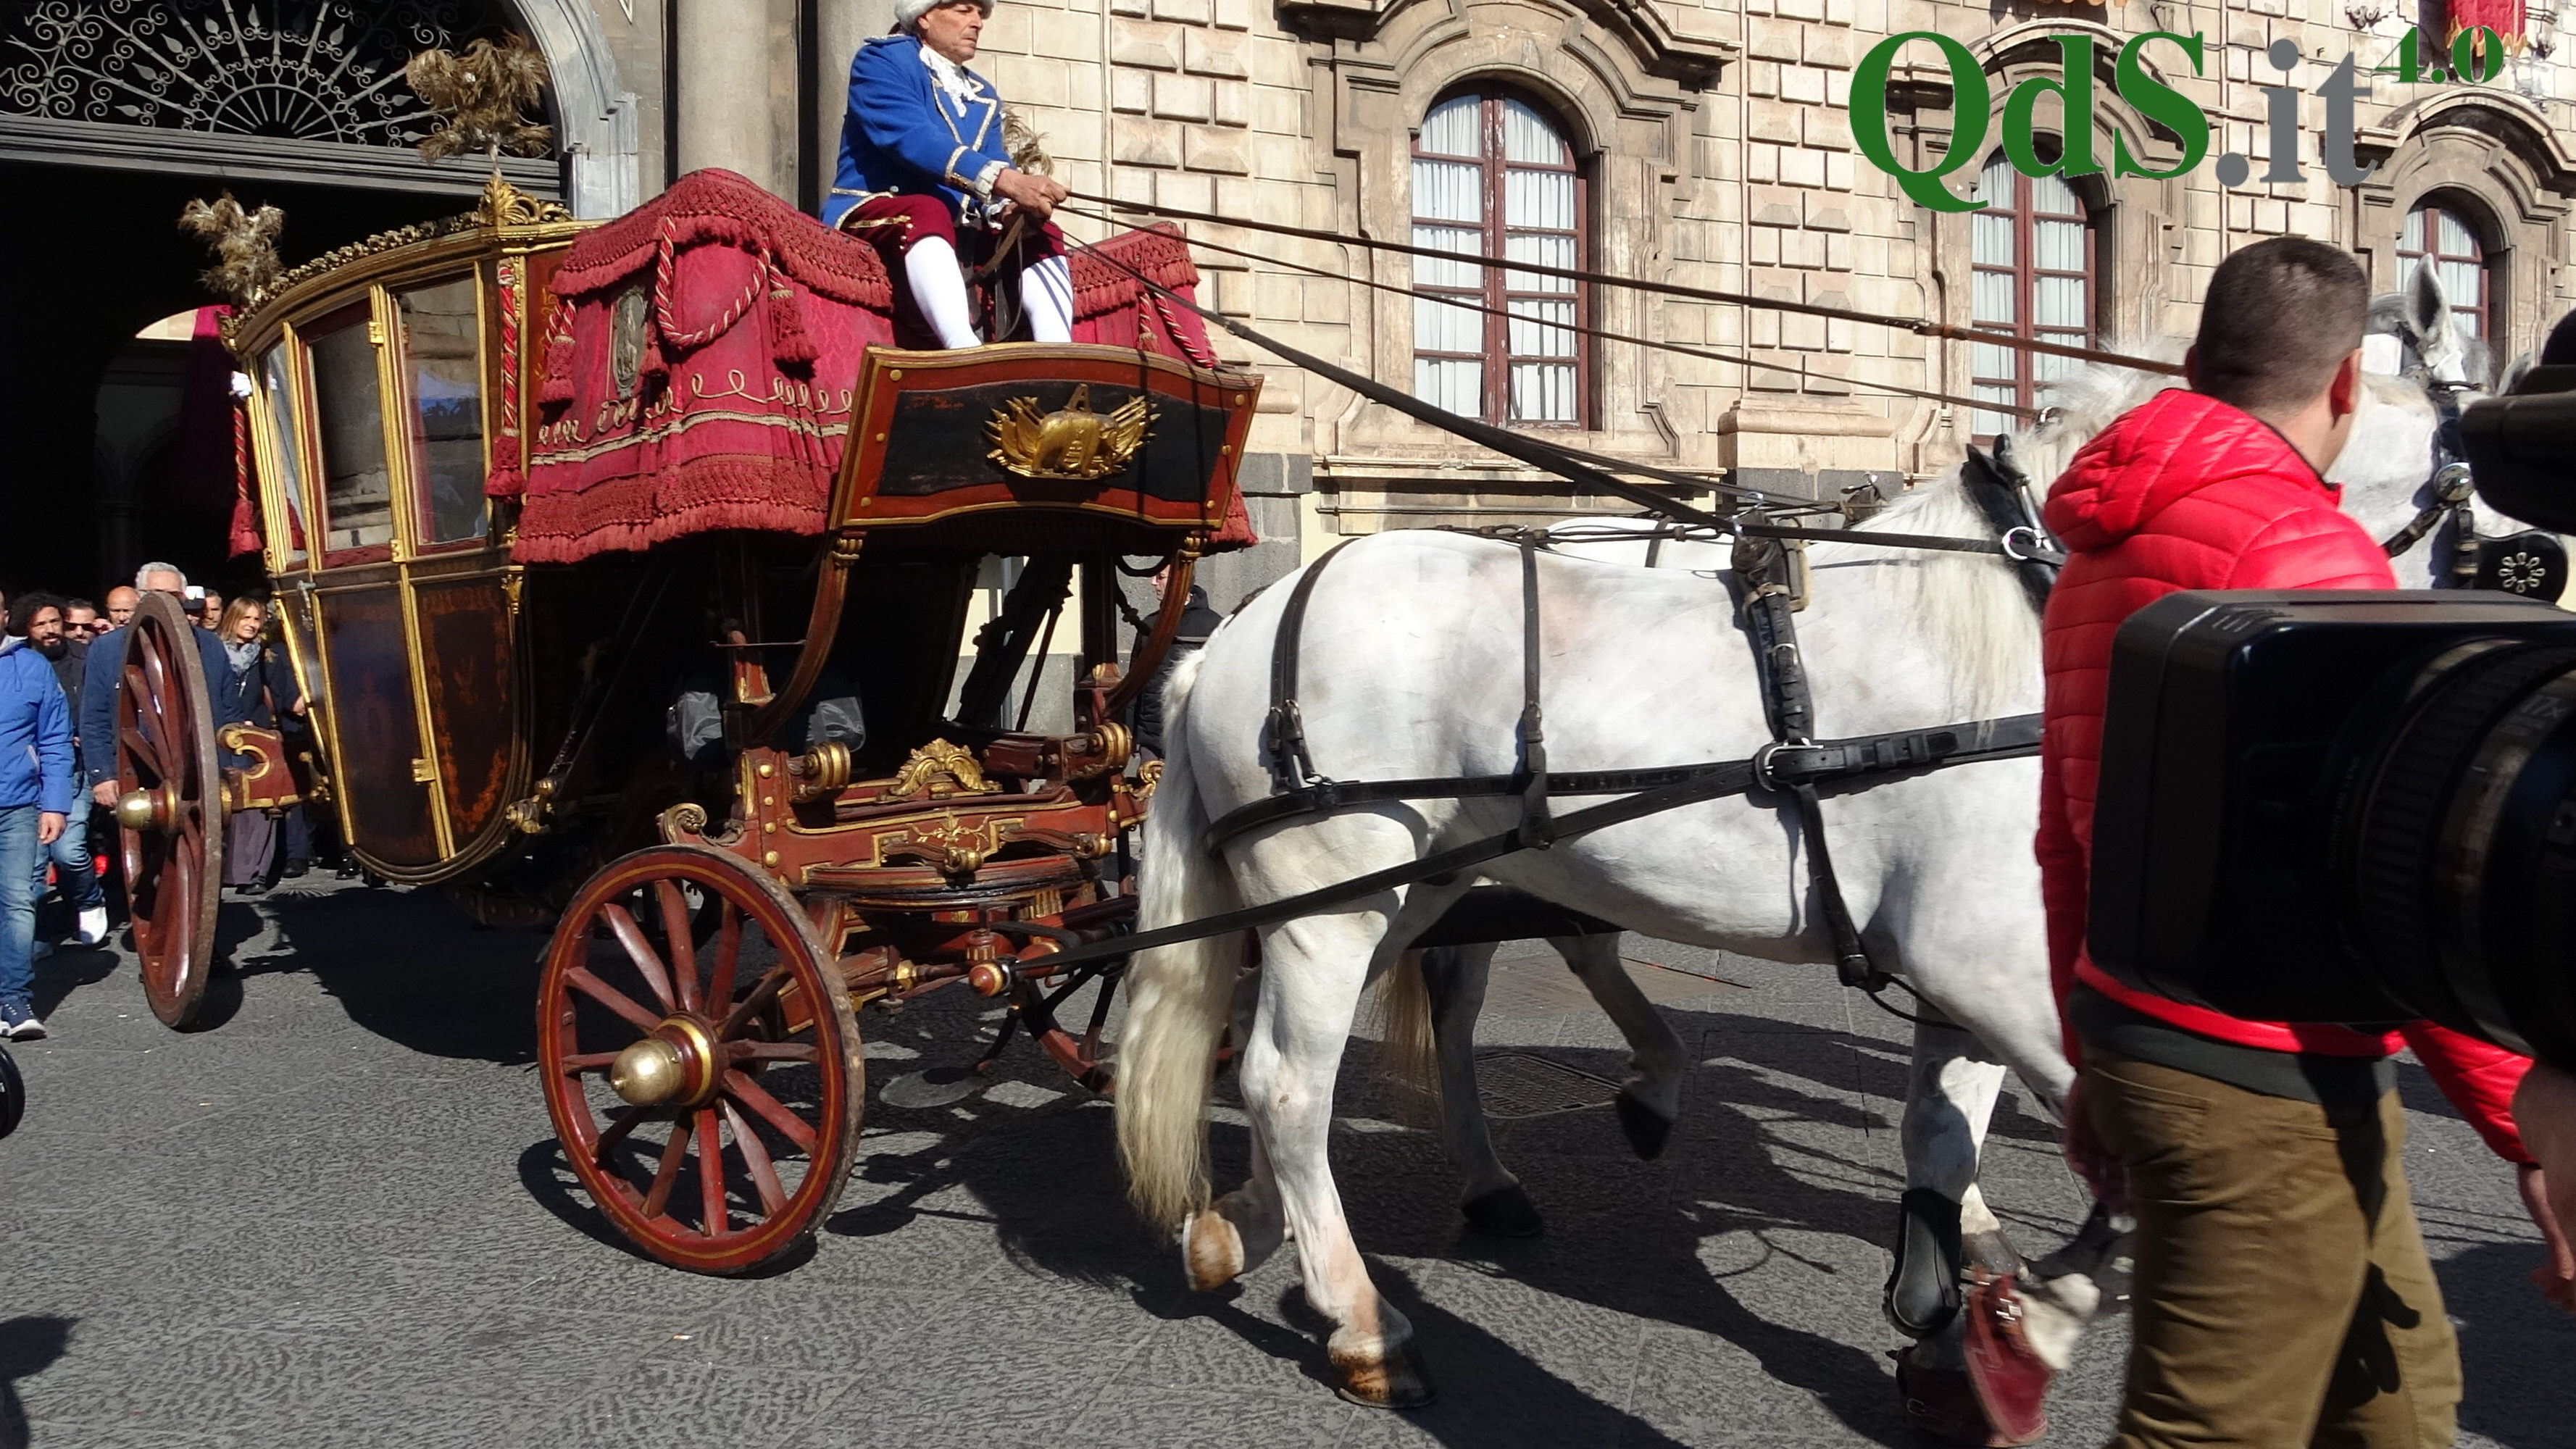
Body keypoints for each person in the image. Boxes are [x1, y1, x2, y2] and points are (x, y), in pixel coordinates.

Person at [2038, 236, 2567, 1448]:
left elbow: (2067, 832)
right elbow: (2401, 899)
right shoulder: (2313, 562)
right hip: (2258, 1062)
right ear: (2342, 386)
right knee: (2211, 1431)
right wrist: (2523, 1126)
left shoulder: (2100, 538)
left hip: (2159, 1026)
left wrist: (2090, 1049)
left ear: (2195, 360)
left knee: (2401, 1403)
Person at [824, 0, 1075, 350]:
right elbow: (911, 138)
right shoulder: (881, 62)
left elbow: (994, 161)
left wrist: (1008, 208)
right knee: (927, 210)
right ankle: (961, 349)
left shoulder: (982, 94)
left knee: (1037, 230)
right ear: (924, 17)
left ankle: (1059, 352)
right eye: (963, 11)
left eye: (979, 13)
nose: (977, 23)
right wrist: (1008, 182)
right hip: (878, 208)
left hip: (956, 224)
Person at [80, 564, 241, 819]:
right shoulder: (106, 649)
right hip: (134, 770)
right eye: (154, 594)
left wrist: (232, 768)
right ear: (139, 597)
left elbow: (229, 712)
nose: (165, 602)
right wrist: (103, 775)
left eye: (173, 595)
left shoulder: (209, 645)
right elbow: (94, 719)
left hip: (199, 771)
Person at [12, 594, 105, 951]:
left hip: (73, 768)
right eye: (41, 624)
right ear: (26, 629)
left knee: (68, 851)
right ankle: (29, 939)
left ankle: (88, 899)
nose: (50, 630)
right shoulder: (19, 664)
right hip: (28, 774)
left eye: (55, 622)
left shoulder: (84, 659)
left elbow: (99, 707)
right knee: (31, 863)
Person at [0, 597, 71, 1039]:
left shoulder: (31, 666)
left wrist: (56, 803)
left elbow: (55, 739)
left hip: (18, 803)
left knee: (17, 903)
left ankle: (12, 998)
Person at [212, 597, 304, 894]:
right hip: (220, 732)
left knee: (261, 804)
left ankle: (256, 873)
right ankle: (229, 869)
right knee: (227, 802)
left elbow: (277, 692)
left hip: (256, 732)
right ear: (232, 619)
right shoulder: (213, 652)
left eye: (257, 619)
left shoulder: (265, 656)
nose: (252, 625)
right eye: (246, 619)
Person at [1130, 564, 1224, 759]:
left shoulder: (1213, 626)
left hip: (1193, 738)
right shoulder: (1149, 625)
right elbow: (1134, 684)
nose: (1153, 582)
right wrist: (1130, 732)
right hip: (1152, 737)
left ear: (1178, 581)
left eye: (1160, 577)